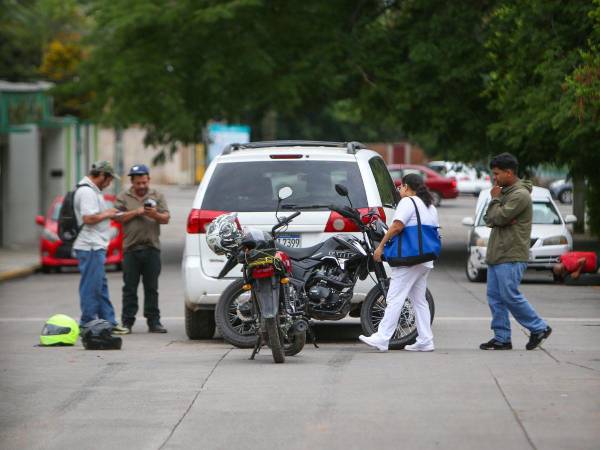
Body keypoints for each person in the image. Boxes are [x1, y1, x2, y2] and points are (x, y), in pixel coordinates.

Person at [359, 173, 439, 352]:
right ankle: (426, 340)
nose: (399, 190)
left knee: (395, 297)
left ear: (406, 187)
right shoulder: (429, 205)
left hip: (409, 258)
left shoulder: (408, 202)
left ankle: (382, 337)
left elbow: (397, 226)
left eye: (400, 187)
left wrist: (380, 247)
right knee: (419, 300)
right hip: (425, 258)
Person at [481, 152, 552, 351]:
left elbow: (500, 218)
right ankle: (502, 338)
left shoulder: (519, 194)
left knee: (510, 295)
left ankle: (539, 327)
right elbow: (489, 220)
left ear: (509, 172)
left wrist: (496, 204)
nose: (494, 178)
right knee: (495, 298)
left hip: (511, 253)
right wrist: (497, 211)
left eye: (497, 174)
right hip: (498, 253)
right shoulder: (504, 192)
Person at [73, 161, 129, 334]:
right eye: (109, 179)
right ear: (102, 176)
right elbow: (88, 218)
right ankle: (87, 323)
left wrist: (112, 214)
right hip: (90, 246)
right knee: (91, 286)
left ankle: (108, 322)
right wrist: (109, 213)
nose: (109, 184)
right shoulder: (87, 191)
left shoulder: (93, 191)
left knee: (100, 285)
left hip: (96, 245)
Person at [114, 164, 170, 333]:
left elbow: (166, 218)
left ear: (148, 180)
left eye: (144, 182)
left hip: (152, 248)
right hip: (131, 249)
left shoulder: (157, 196)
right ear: (132, 182)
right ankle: (127, 322)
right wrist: (137, 211)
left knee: (151, 288)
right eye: (138, 183)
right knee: (129, 288)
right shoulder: (123, 196)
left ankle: (154, 322)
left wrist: (155, 215)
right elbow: (116, 217)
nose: (141, 186)